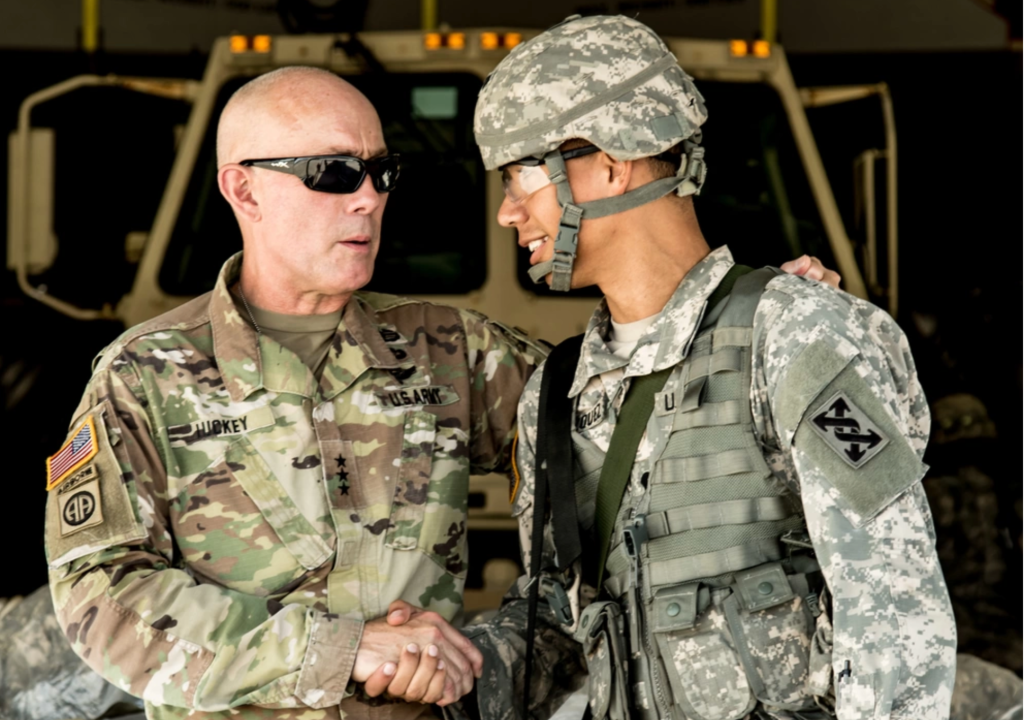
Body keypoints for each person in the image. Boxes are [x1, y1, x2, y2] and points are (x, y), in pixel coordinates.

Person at [41, 65, 841, 720]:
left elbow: (631, 406)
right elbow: (100, 599)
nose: (369, 197)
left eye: (383, 172)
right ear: (243, 190)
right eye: (334, 173)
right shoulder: (143, 377)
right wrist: (344, 651)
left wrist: (745, 319)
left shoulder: (448, 351)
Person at [452, 14, 958, 720]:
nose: (508, 212)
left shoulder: (794, 335)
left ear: (608, 161)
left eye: (520, 175)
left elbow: (894, 607)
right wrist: (435, 673)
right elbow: (559, 627)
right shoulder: (560, 391)